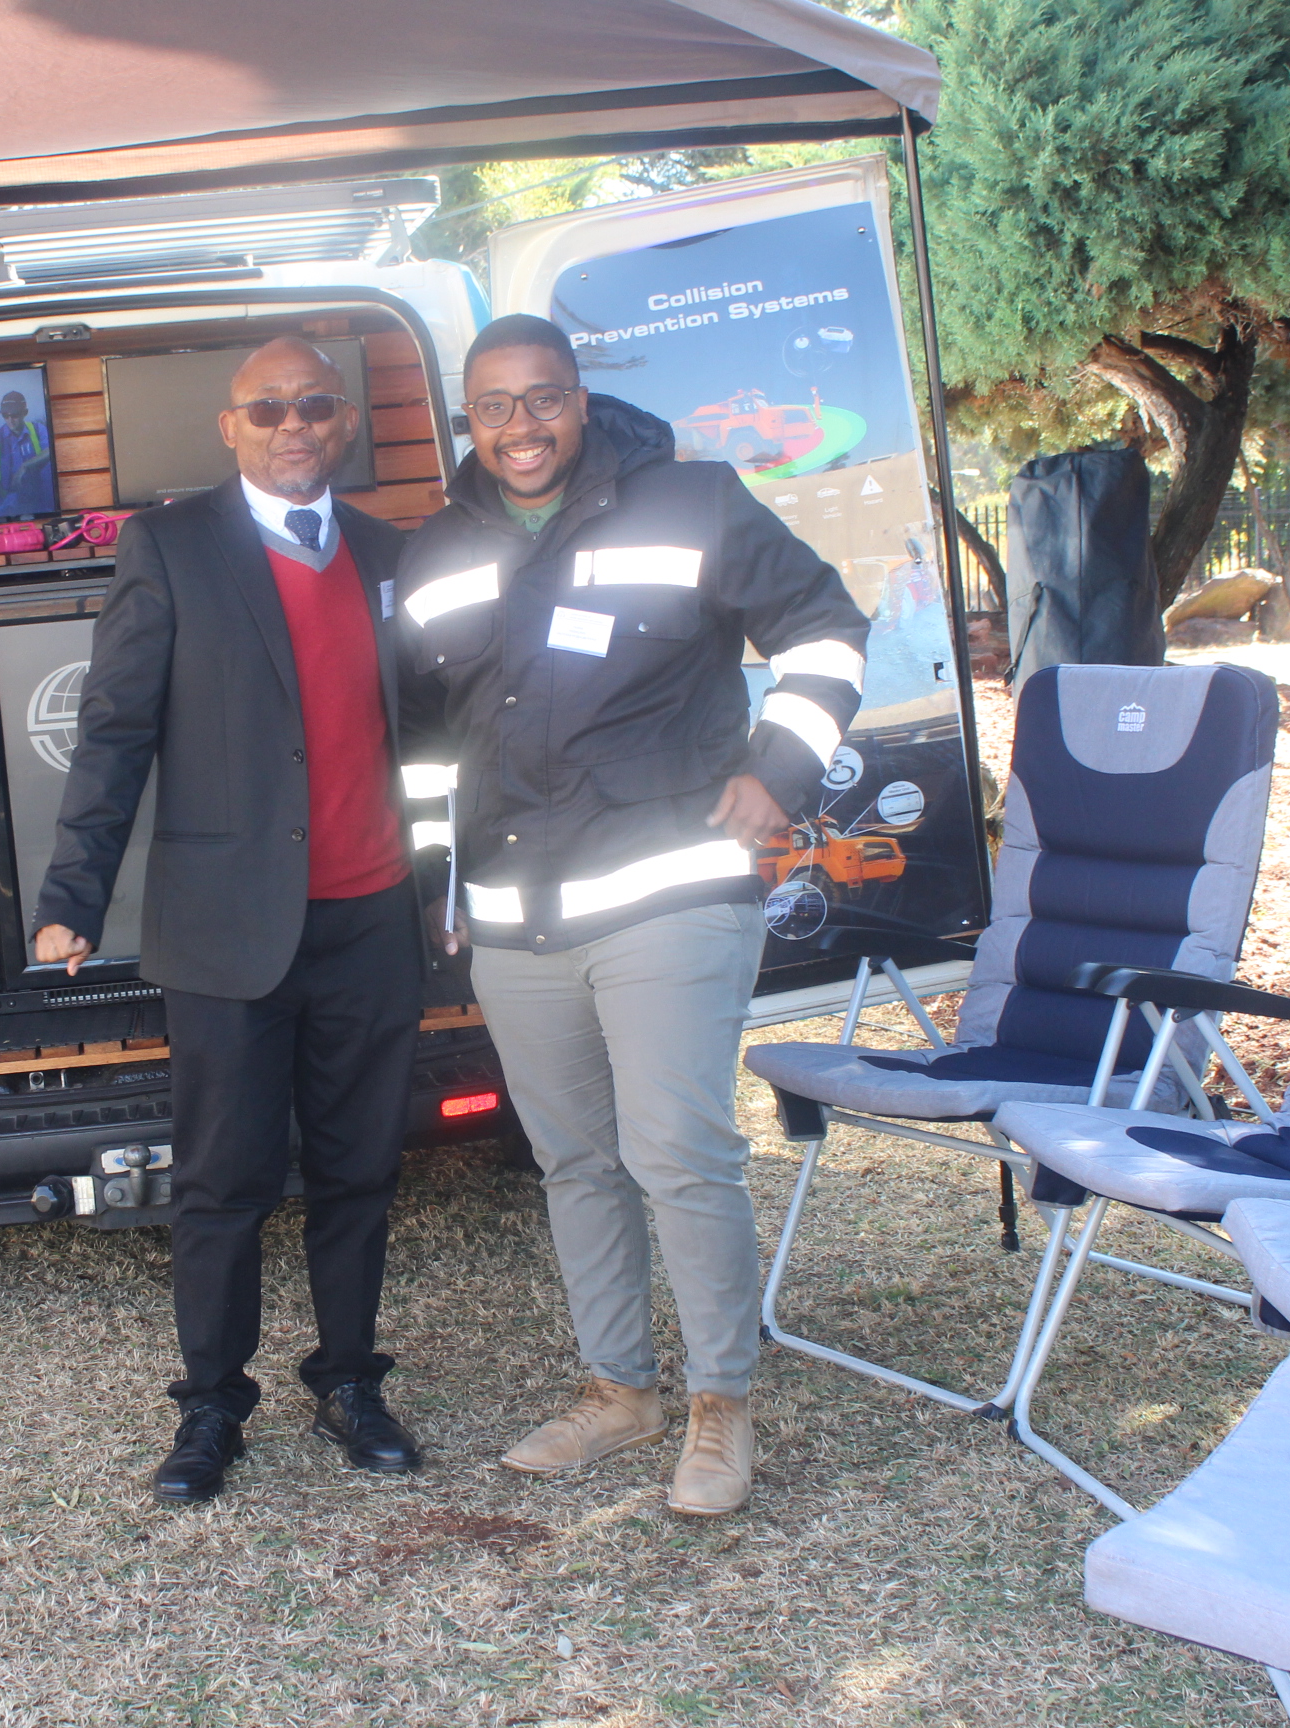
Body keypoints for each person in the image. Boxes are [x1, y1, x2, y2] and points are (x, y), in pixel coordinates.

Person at [394, 314, 869, 1516]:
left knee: (678, 1153)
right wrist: (439, 877)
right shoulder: (435, 550)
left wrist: (778, 772)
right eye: (494, 406)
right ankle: (620, 1391)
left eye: (543, 398)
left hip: (668, 893)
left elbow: (826, 630)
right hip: (515, 917)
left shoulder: (691, 502)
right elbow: (425, 742)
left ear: (581, 399)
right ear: (468, 417)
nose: (521, 426)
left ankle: (720, 1404)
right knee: (575, 1162)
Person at [32, 337, 424, 1503]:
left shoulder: (391, 554)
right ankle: (211, 1405)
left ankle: (349, 1381)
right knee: (220, 1184)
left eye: (314, 405)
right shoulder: (169, 545)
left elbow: (437, 734)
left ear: (343, 421)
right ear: (230, 426)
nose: (292, 425)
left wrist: (452, 886)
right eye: (268, 409)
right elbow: (115, 730)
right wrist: (72, 897)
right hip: (223, 930)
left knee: (360, 1172)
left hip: (372, 918)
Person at [0, 389, 56, 518]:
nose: (10, 420)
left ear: (25, 413)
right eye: (5, 415)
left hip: (41, 497)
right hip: (8, 499)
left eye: (15, 415)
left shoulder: (38, 429)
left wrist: (25, 466)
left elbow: (51, 450)